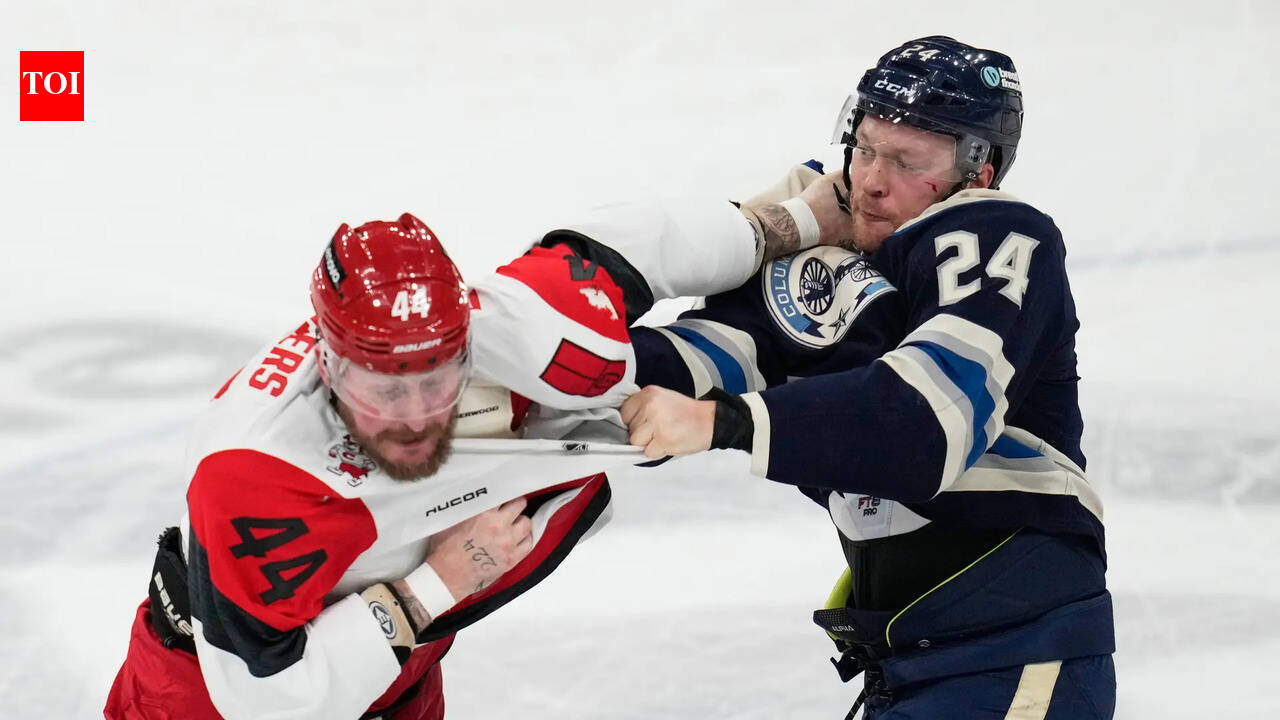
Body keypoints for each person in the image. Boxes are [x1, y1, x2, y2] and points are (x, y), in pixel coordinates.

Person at [611, 36, 1114, 719]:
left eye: (907, 162)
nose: (873, 179)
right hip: (914, 661)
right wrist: (550, 364)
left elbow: (925, 427)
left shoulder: (996, 239)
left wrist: (724, 422)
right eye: (866, 148)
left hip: (1013, 659)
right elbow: (699, 361)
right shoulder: (838, 258)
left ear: (980, 173)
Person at [103, 206, 767, 720]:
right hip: (207, 697)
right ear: (327, 362)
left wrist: (794, 219)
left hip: (399, 677)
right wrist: (441, 582)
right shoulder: (254, 474)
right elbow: (268, 704)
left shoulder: (503, 323)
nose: (417, 414)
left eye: (439, 379)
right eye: (386, 388)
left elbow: (638, 250)